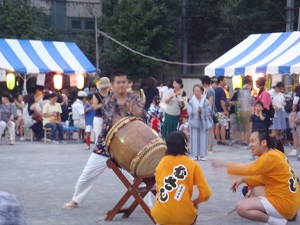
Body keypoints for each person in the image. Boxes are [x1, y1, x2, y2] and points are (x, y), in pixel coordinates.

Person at [63, 70, 144, 209]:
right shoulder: (108, 101)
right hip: (106, 144)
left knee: (139, 176)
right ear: (113, 85)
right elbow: (115, 119)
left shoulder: (135, 99)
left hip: (129, 145)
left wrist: (135, 111)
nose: (121, 85)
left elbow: (141, 117)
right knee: (88, 173)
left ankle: (146, 204)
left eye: (124, 82)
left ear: (128, 83)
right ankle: (76, 200)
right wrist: (129, 112)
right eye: (118, 82)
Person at [212, 130, 300, 225]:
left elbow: (248, 169)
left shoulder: (269, 157)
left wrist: (224, 164)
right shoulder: (277, 154)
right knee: (253, 189)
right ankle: (278, 218)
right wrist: (244, 179)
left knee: (241, 207)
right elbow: (262, 178)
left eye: (253, 141)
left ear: (263, 143)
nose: (250, 145)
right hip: (292, 203)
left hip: (285, 204)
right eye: (249, 142)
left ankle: (278, 222)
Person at [150, 131, 212, 225]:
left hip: (161, 216)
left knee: (159, 194)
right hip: (184, 217)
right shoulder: (193, 165)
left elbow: (159, 189)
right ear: (185, 145)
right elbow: (206, 193)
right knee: (191, 210)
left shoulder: (161, 163)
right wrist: (194, 203)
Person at [187, 85, 213, 161]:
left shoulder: (205, 101)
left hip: (203, 121)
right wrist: (196, 111)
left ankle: (203, 154)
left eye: (198, 90)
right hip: (194, 121)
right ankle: (194, 154)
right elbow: (189, 111)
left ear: (201, 91)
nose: (196, 92)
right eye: (195, 90)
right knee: (194, 138)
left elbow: (209, 110)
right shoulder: (191, 101)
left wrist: (202, 111)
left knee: (203, 137)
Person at [93, 77, 111, 143]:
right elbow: (95, 107)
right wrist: (104, 103)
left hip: (108, 117)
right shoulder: (96, 95)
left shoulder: (110, 94)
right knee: (98, 134)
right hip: (98, 116)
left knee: (108, 134)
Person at [201, 75, 215, 154]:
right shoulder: (208, 90)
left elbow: (210, 103)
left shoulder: (210, 91)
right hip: (207, 113)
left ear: (204, 82)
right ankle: (208, 148)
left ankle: (210, 148)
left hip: (208, 114)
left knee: (210, 132)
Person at [214, 76, 229, 145]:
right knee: (223, 125)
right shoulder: (221, 90)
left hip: (215, 110)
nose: (226, 81)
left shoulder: (215, 89)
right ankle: (223, 140)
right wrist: (225, 110)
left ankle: (218, 139)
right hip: (221, 110)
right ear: (221, 81)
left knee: (217, 125)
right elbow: (222, 101)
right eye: (224, 80)